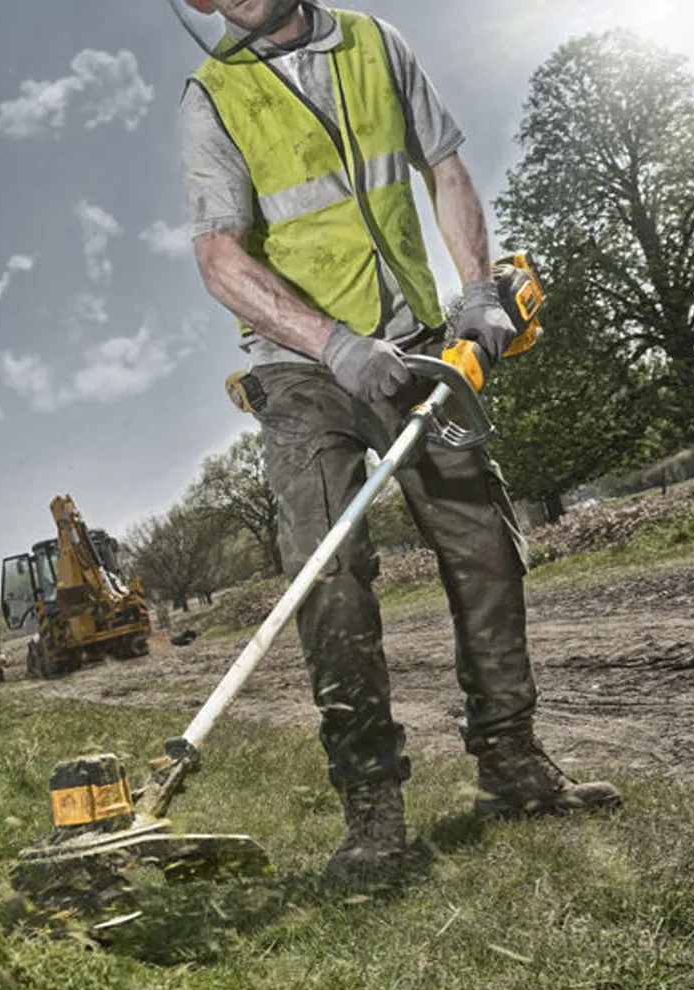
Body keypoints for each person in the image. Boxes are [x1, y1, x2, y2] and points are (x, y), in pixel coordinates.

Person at [174, 0, 621, 885]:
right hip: (302, 366)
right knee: (328, 568)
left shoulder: (375, 40)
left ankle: (511, 763)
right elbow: (221, 258)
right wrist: (335, 346)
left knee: (484, 544)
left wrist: (480, 290)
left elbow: (445, 168)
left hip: (418, 341)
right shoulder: (212, 96)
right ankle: (372, 811)